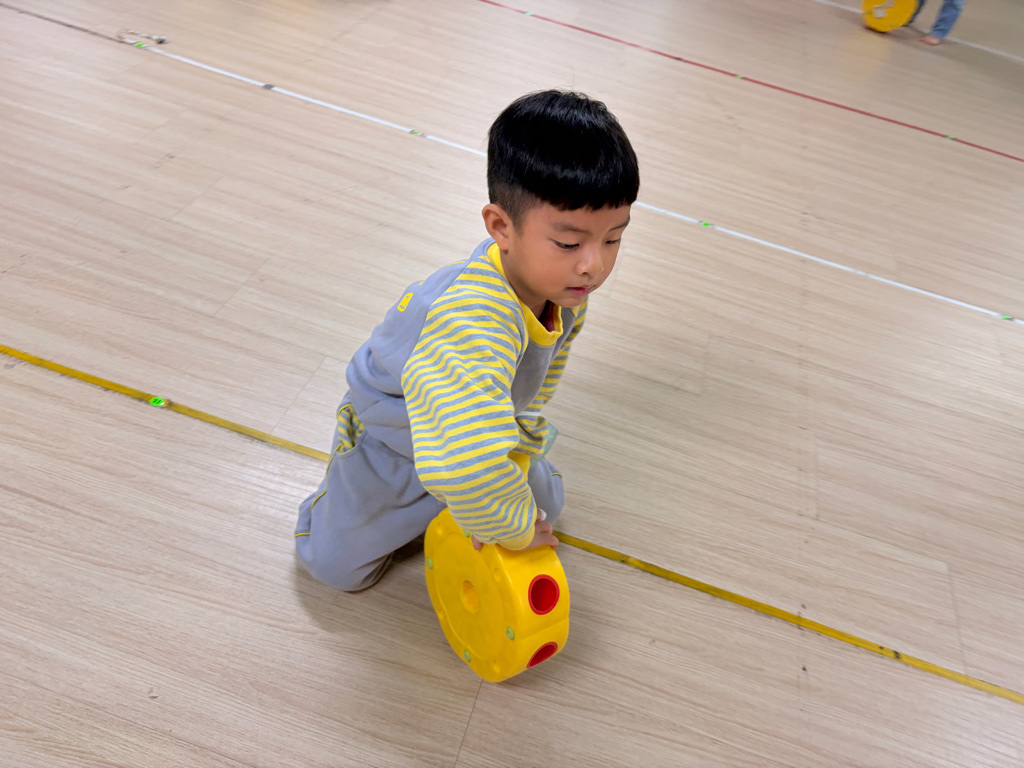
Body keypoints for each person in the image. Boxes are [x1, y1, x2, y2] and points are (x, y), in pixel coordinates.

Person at [294, 90, 640, 591]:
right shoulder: (470, 320)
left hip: (466, 424)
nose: (594, 264)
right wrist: (509, 525)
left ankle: (476, 470)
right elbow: (466, 467)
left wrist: (514, 441)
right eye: (569, 243)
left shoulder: (562, 286)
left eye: (613, 238)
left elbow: (537, 378)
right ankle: (337, 504)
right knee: (334, 569)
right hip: (394, 440)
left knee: (546, 504)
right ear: (501, 227)